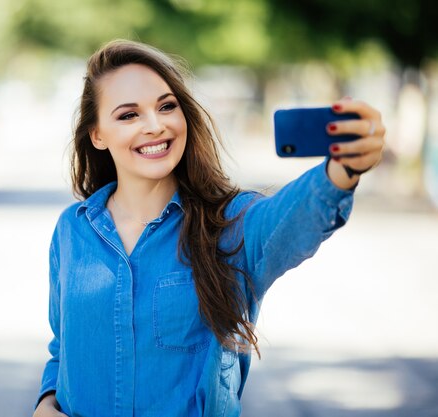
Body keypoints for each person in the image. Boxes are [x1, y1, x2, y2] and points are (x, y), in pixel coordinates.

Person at [33, 40, 385, 417]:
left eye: (166, 106)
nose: (155, 126)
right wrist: (45, 402)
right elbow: (63, 345)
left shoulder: (230, 225)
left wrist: (342, 173)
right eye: (128, 115)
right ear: (97, 135)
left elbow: (295, 217)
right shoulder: (73, 229)